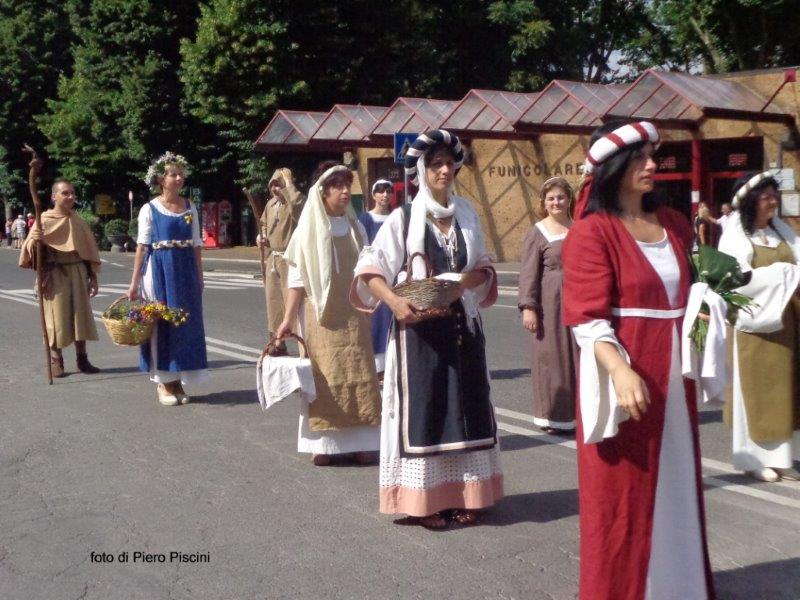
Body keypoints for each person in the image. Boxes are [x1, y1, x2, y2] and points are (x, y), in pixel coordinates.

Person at [561, 121, 714, 599]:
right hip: (626, 371)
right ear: (614, 167)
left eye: (652, 155)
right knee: (623, 490)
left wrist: (708, 320)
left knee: (677, 476)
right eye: (641, 158)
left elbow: (696, 292)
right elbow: (586, 318)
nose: (653, 164)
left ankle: (680, 586)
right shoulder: (592, 232)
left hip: (675, 373)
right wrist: (621, 370)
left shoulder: (674, 223)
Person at [352, 130, 503, 530]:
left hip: (462, 327)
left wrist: (466, 281)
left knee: (468, 408)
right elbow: (370, 269)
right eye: (435, 164)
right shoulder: (403, 218)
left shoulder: (467, 215)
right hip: (419, 332)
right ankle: (424, 502)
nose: (444, 170)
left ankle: (467, 495)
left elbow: (483, 265)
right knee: (426, 411)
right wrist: (396, 303)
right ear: (421, 171)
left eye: (448, 164)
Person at [275, 162, 381, 466]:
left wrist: (373, 304)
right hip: (320, 315)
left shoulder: (356, 228)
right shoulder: (308, 229)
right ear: (323, 191)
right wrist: (287, 319)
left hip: (354, 311)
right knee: (324, 376)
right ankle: (323, 443)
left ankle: (361, 442)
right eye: (338, 186)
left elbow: (368, 270)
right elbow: (297, 280)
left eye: (347, 185)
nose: (345, 191)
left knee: (359, 373)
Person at [718, 171, 800, 482]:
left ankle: (782, 457)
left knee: (784, 389)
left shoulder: (782, 232)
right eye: (766, 196)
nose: (773, 201)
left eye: (774, 195)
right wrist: (782, 273)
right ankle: (753, 458)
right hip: (752, 325)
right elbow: (734, 279)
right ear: (751, 201)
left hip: (785, 321)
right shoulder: (735, 237)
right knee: (754, 391)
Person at [127, 152, 207, 406]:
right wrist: (134, 283)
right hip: (160, 269)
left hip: (185, 269)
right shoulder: (149, 209)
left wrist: (200, 276)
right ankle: (163, 381)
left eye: (181, 174)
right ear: (161, 179)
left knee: (185, 323)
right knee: (163, 321)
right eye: (173, 174)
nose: (179, 178)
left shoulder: (190, 206)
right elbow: (142, 247)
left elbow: (196, 244)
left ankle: (177, 378)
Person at [19, 155, 101, 377]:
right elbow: (28, 252)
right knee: (55, 318)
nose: (70, 196)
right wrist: (35, 240)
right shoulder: (44, 219)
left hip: (78, 271)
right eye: (65, 193)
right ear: (54, 196)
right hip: (54, 273)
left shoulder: (78, 220)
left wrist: (93, 277)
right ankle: (57, 361)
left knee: (80, 317)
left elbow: (88, 251)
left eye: (72, 193)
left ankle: (82, 359)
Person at [517, 176, 577, 434]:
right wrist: (528, 307)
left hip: (578, 298)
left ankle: (578, 415)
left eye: (561, 197)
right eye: (551, 198)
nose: (556, 202)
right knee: (552, 358)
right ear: (543, 202)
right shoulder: (538, 232)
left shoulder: (579, 228)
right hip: (550, 302)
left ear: (569, 199)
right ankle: (553, 416)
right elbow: (528, 273)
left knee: (578, 356)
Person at [256, 168, 306, 355]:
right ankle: (277, 343)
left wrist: (289, 185)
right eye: (273, 185)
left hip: (290, 259)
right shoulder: (270, 204)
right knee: (274, 302)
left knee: (294, 303)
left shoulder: (295, 202)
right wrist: (260, 237)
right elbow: (263, 224)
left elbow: (300, 209)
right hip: (273, 259)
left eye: (279, 184)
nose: (275, 189)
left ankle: (304, 347)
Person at [357, 179, 394, 375]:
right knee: (374, 317)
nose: (385, 195)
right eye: (380, 191)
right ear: (373, 195)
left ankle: (390, 364)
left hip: (392, 273)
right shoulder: (365, 219)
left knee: (390, 317)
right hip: (372, 273)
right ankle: (374, 365)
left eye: (388, 191)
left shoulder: (395, 218)